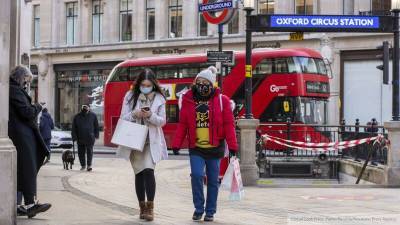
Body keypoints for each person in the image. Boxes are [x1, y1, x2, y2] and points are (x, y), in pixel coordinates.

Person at [172, 66, 238, 222]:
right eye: (198, 82)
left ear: (212, 84)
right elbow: (183, 124)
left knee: (213, 181)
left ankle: (210, 211)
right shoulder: (188, 100)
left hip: (215, 148)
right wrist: (176, 143)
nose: (201, 85)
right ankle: (198, 208)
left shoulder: (223, 101)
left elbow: (229, 125)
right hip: (196, 148)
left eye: (205, 82)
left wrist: (233, 146)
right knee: (196, 175)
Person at [119, 68, 168, 221]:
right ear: (139, 84)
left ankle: (150, 208)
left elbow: (162, 121)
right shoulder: (129, 96)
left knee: (149, 171)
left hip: (150, 141)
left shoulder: (160, 98)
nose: (145, 87)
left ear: (153, 84)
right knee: (139, 173)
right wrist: (135, 114)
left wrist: (151, 115)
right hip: (135, 141)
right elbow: (123, 118)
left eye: (148, 84)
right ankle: (142, 208)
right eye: (143, 84)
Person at [8, 65, 51, 218]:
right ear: (21, 77)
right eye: (26, 80)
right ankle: (31, 205)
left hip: (23, 135)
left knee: (23, 169)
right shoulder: (14, 90)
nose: (27, 83)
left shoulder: (14, 89)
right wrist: (37, 107)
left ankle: (19, 204)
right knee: (27, 168)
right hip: (21, 136)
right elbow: (26, 112)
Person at [71, 105, 99, 171]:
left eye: (86, 108)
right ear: (82, 108)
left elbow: (96, 126)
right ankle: (83, 165)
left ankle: (89, 165)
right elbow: (73, 128)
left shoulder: (93, 116)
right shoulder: (77, 116)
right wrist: (74, 137)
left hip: (90, 137)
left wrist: (96, 135)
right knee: (81, 152)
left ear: (89, 108)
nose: (85, 109)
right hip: (80, 137)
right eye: (84, 108)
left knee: (90, 152)